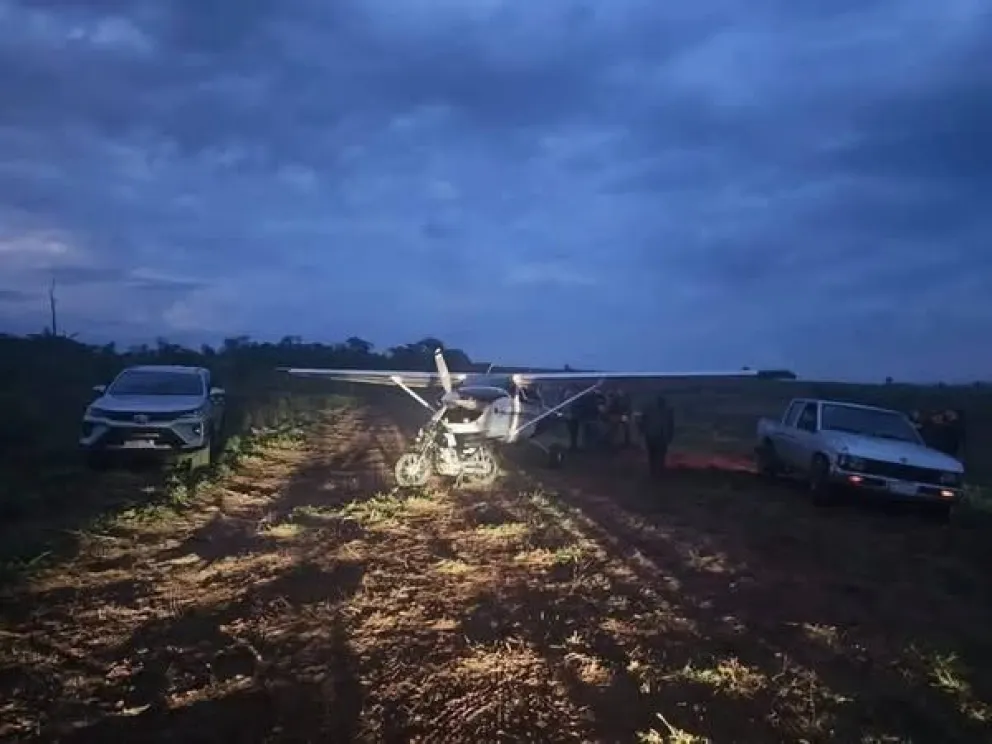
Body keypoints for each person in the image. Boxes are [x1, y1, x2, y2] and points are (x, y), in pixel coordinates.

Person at [639, 394, 674, 476]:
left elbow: (642, 422)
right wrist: (669, 436)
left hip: (654, 436)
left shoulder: (650, 410)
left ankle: (655, 472)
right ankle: (657, 472)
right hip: (657, 437)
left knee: (654, 456)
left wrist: (642, 431)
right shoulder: (667, 411)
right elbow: (670, 425)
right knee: (658, 456)